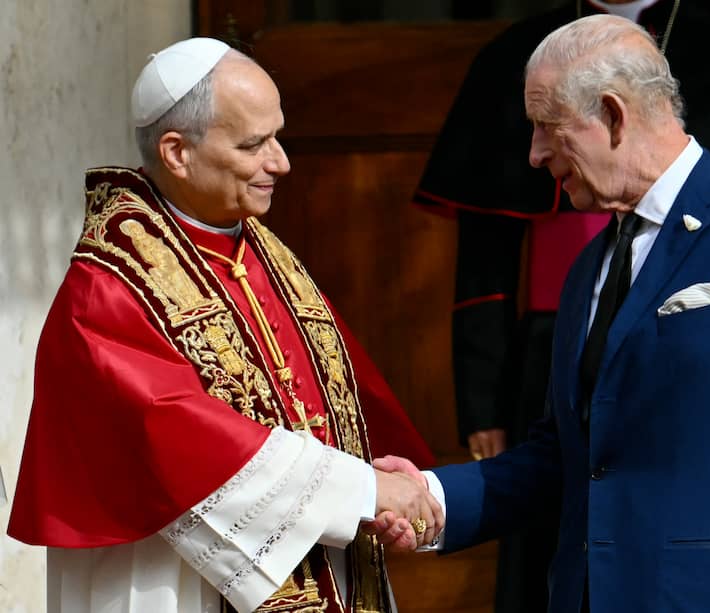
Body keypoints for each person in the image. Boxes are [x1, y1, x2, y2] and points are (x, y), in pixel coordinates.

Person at [380, 13, 710, 612]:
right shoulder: (590, 266)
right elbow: (566, 457)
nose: (535, 154)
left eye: (547, 126)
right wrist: (432, 495)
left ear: (613, 115)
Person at [6, 37, 442, 613]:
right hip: (183, 581)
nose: (281, 161)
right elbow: (173, 430)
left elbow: (348, 401)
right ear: (176, 152)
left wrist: (400, 493)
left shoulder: (259, 249)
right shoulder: (110, 283)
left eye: (278, 136)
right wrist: (360, 492)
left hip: (325, 560)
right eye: (253, 144)